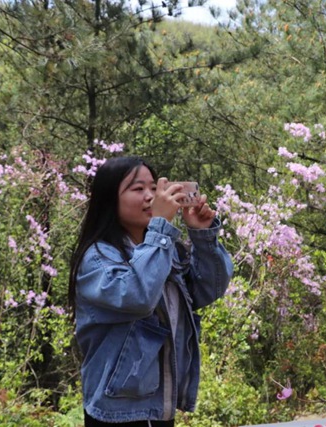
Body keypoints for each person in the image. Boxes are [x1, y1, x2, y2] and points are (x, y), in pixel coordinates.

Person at [68, 156, 234, 427]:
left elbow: (208, 289)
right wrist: (161, 228)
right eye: (138, 188)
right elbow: (137, 296)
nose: (150, 196)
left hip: (159, 408)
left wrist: (202, 235)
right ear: (109, 199)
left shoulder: (164, 251)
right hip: (115, 413)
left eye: (154, 188)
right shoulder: (98, 258)